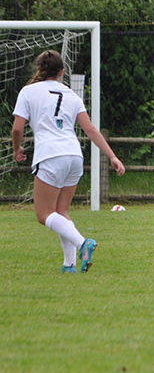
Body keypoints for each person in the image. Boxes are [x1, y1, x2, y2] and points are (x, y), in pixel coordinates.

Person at [12, 50, 126, 274]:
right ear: (62, 72)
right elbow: (90, 129)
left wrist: (17, 149)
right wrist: (112, 156)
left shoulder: (28, 91)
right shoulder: (72, 95)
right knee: (61, 211)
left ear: (39, 69)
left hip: (51, 155)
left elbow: (17, 128)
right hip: (74, 156)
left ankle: (83, 243)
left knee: (43, 214)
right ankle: (69, 266)